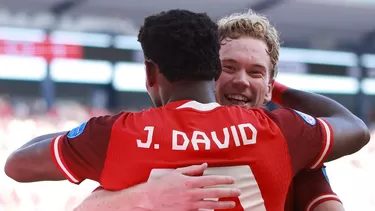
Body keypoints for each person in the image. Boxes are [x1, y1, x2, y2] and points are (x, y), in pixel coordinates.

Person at [4, 9, 369, 211]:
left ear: (150, 72)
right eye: (230, 67)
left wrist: (123, 199)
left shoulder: (118, 136)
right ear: (212, 69)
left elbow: (18, 164)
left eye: (256, 73)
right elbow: (353, 128)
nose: (242, 81)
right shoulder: (284, 134)